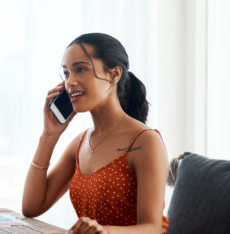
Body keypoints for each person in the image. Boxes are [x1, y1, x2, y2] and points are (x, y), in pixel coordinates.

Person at [22, 33, 169, 234]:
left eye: (80, 69)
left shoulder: (145, 141)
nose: (70, 82)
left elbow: (151, 228)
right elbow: (31, 207)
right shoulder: (80, 143)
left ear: (114, 74)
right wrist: (49, 136)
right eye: (66, 73)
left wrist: (104, 231)